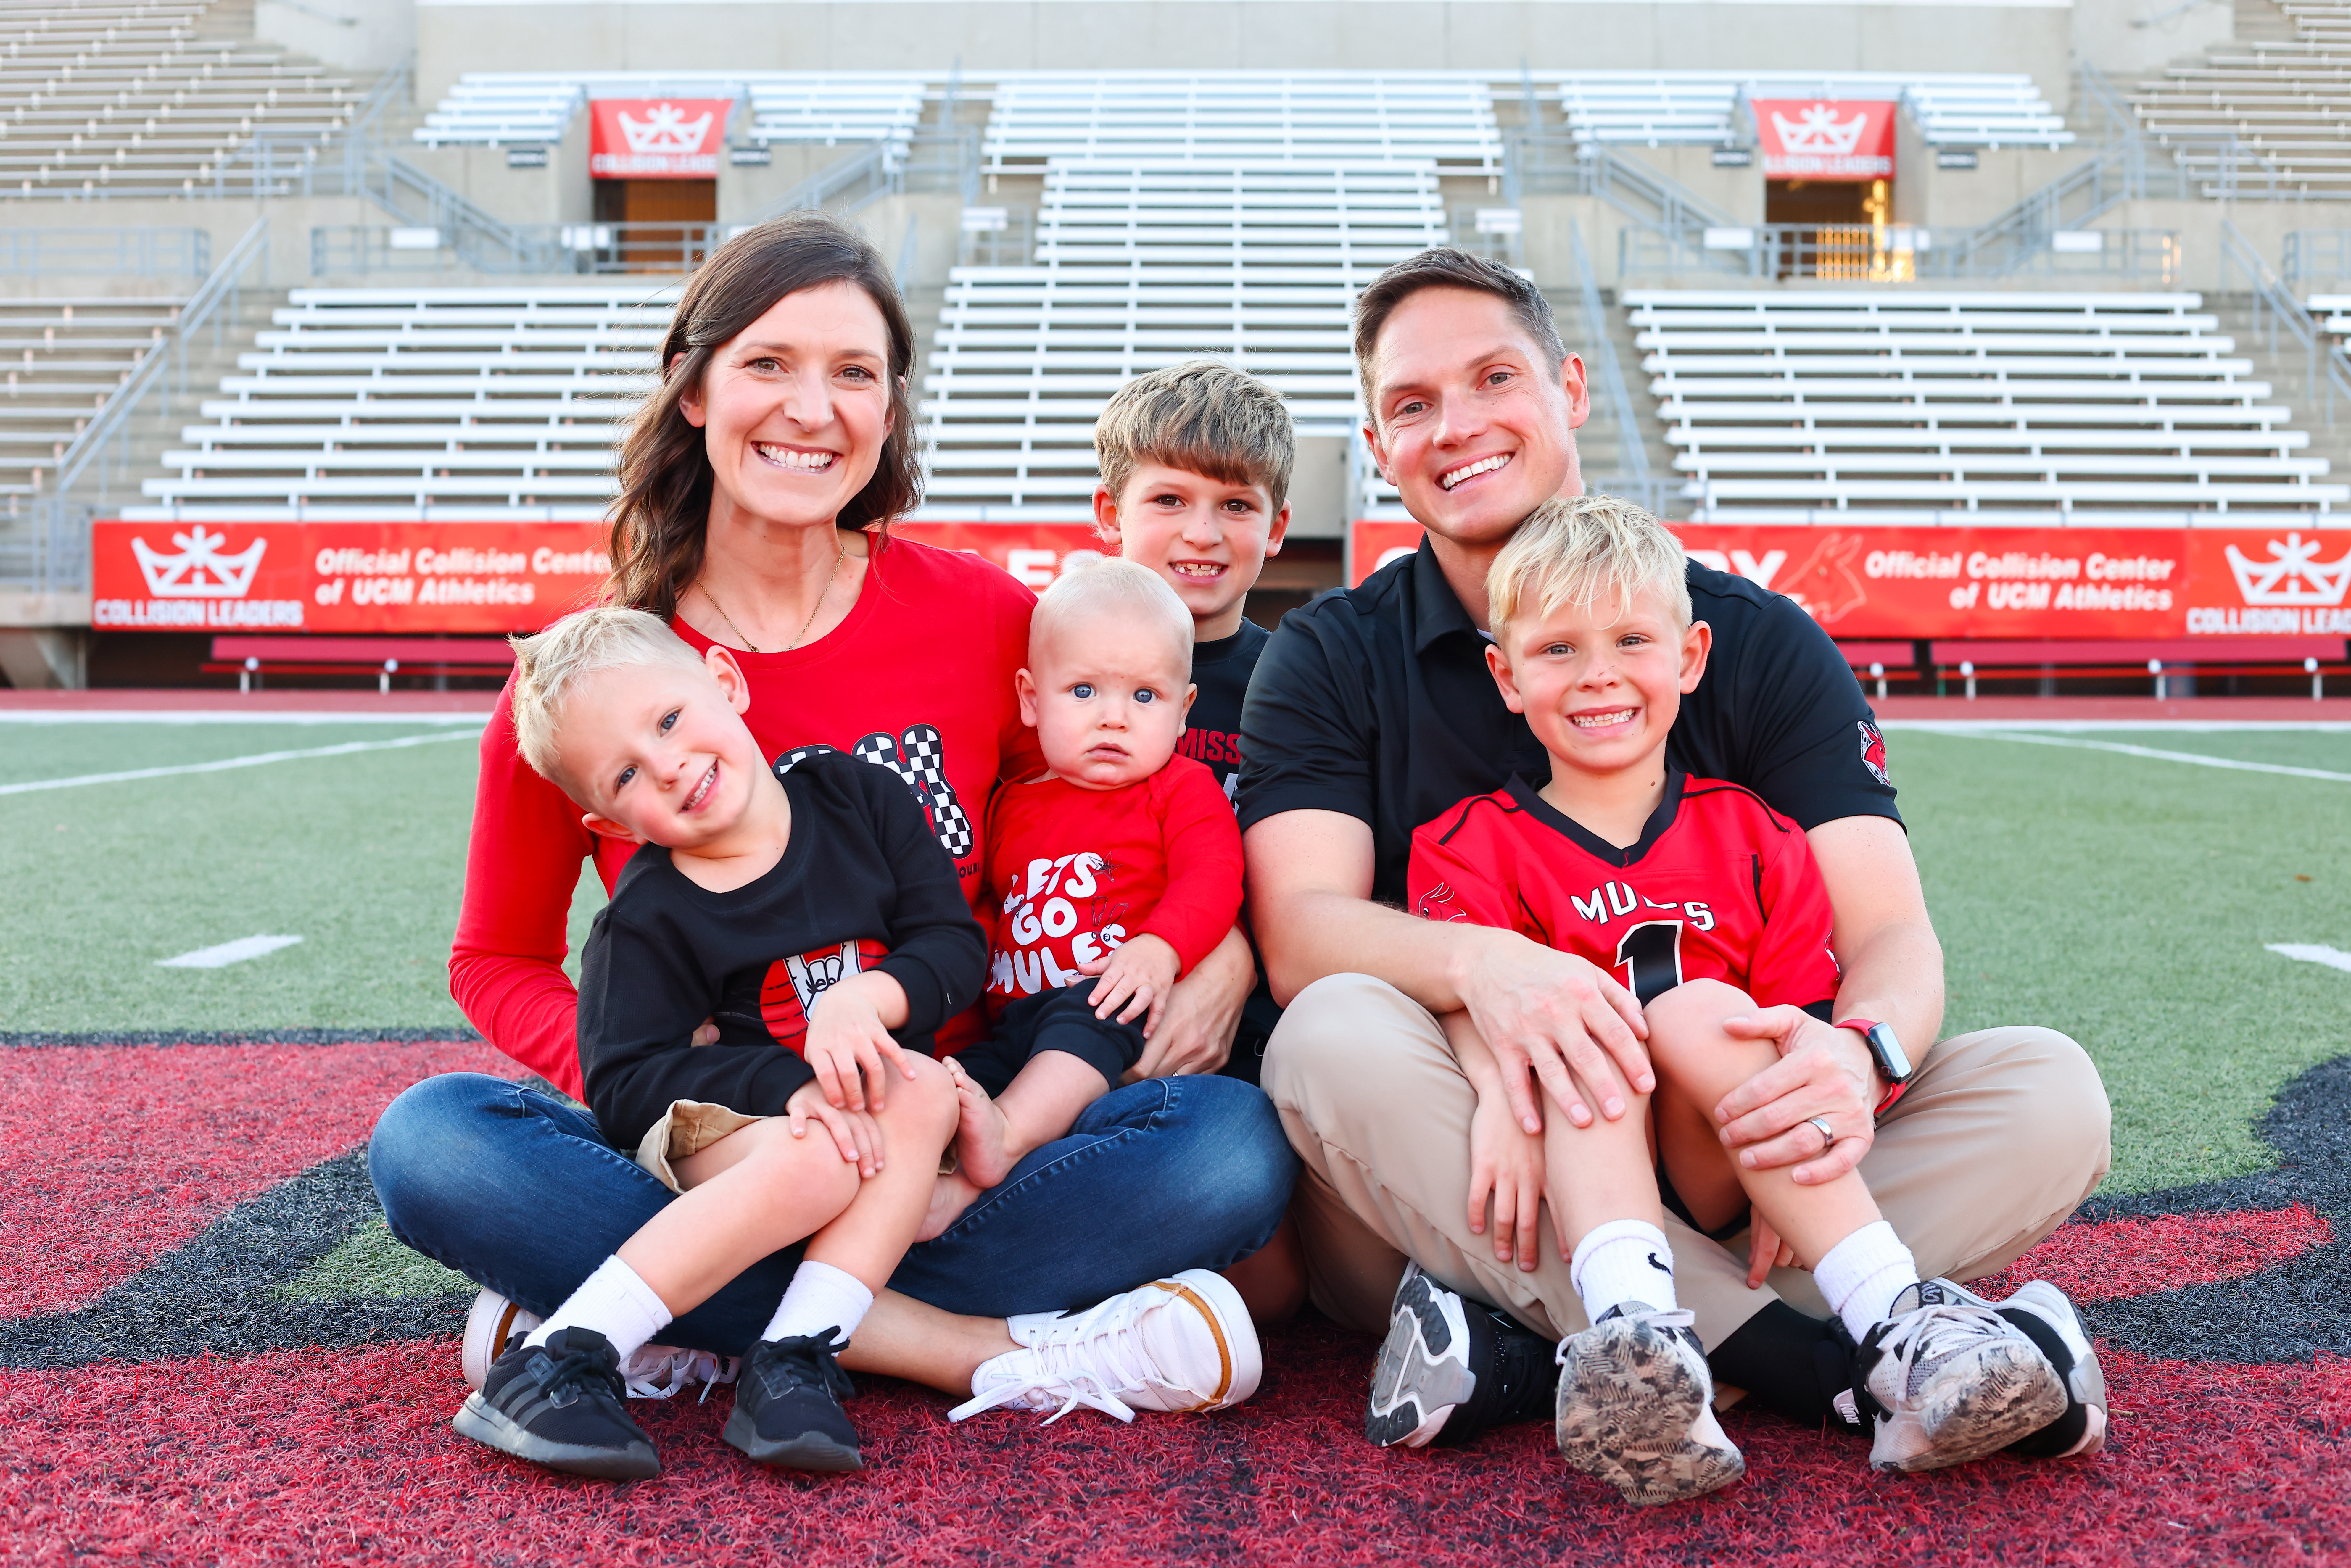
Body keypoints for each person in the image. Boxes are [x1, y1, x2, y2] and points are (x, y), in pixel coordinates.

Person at [368, 214, 1293, 1435]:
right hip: (735, 1137)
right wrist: (696, 1106)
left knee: (1226, 1146)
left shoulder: (984, 621)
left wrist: (1210, 950)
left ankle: (652, 1314)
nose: (812, 408)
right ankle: (945, 1342)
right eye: (770, 364)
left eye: (853, 372)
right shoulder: (592, 691)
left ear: (890, 409)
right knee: (437, 1142)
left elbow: (1114, 810)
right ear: (693, 389)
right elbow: (496, 960)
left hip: (966, 1140)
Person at [1239, 248, 2111, 1470]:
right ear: (1381, 444)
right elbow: (1303, 927)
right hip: (1485, 1154)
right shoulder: (1332, 651)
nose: (1459, 426)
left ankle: (1541, 1348)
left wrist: (1853, 1059)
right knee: (1330, 1030)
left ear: (1573, 386)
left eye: (1495, 377)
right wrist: (1500, 976)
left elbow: (1887, 936)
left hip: (1729, 1151)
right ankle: (1845, 1365)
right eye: (1413, 404)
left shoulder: (1751, 639)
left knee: (2049, 1091)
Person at [1390, 496, 2069, 1503]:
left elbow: (1796, 1029)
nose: (1598, 675)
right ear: (1505, 674)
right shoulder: (1466, 843)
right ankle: (1649, 1349)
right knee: (1591, 1023)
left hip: (1727, 1158)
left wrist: (1793, 1157)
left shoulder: (1758, 838)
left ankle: (1892, 1323)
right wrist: (1494, 1081)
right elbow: (1467, 1003)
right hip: (1569, 1159)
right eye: (1559, 649)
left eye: (1630, 639)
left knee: (1696, 1013)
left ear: (1692, 655)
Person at [456, 606, 972, 1479]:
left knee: (920, 1087)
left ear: (726, 684)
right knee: (820, 1155)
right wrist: (786, 1081)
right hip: (733, 1131)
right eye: (626, 774)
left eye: (669, 720)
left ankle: (792, 1357)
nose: (670, 765)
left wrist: (863, 1002)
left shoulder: (860, 797)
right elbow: (625, 1081)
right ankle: (565, 1355)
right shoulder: (648, 916)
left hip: (882, 1121)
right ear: (612, 825)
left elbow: (953, 945)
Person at [927, 562, 1247, 1265]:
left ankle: (1007, 1139)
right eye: (1083, 691)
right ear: (1031, 699)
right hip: (1016, 1019)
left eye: (1145, 695)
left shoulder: (1181, 789)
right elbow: (989, 909)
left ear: (1184, 708)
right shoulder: (1011, 802)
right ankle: (938, 1186)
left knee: (1087, 1018)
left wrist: (1161, 949)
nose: (1114, 716)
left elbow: (1215, 877)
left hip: (1117, 1004)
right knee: (948, 1077)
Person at [1088, 360, 1292, 1088]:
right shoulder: (1050, 667)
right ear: (1112, 514)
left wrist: (1236, 961)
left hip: (1235, 1037)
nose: (1202, 533)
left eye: (1237, 505)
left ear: (1277, 529)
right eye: (1170, 499)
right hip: (1064, 997)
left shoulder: (1300, 684)